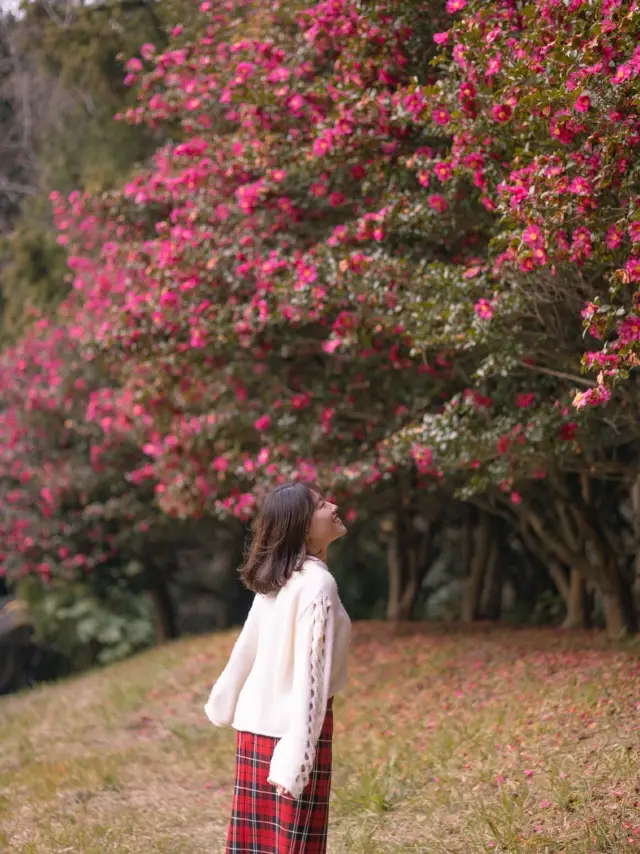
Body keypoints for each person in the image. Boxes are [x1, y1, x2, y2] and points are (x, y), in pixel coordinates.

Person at [204, 482, 352, 853]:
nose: (333, 506)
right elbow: (311, 680)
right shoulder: (317, 584)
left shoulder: (282, 577)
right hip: (294, 732)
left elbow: (246, 647)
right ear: (303, 526)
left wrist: (225, 698)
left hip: (256, 730)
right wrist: (298, 756)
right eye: (321, 504)